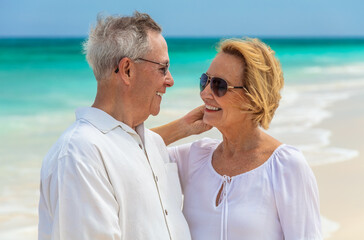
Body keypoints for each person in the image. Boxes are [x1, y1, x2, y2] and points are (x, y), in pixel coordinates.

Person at [38, 12, 191, 240]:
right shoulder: (79, 154)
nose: (170, 80)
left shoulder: (152, 144)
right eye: (163, 68)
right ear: (127, 70)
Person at [153, 38, 322, 240]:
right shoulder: (195, 158)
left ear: (253, 96)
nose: (205, 93)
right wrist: (182, 127)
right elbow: (129, 149)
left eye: (219, 85)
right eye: (204, 81)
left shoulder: (285, 167)